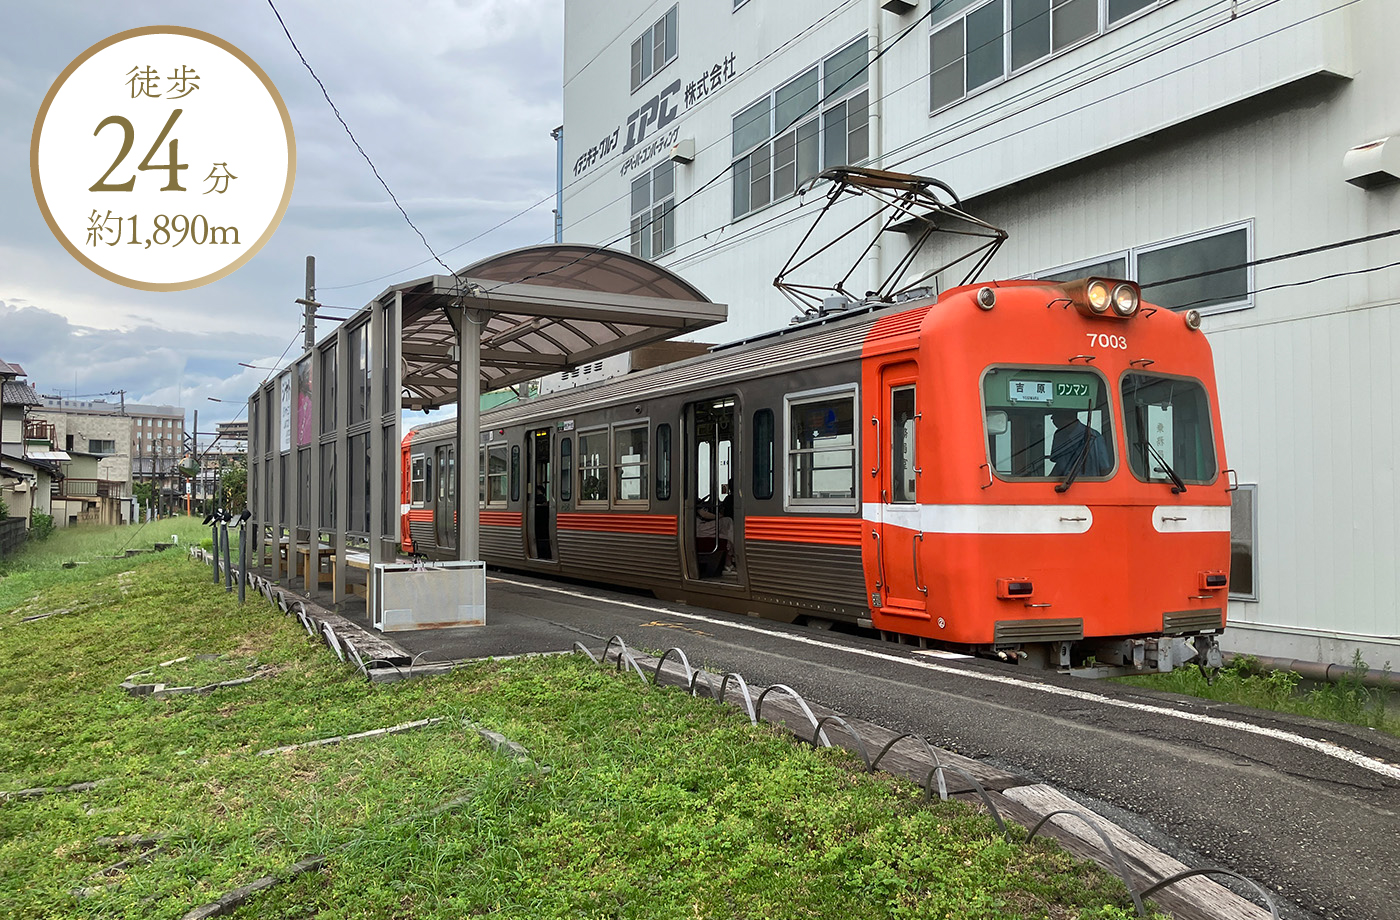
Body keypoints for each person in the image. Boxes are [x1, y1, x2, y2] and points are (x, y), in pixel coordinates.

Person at [1049, 409, 1112, 477]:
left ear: (1069, 417)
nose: (1052, 418)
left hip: (1089, 483)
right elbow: (1059, 465)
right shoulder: (1059, 434)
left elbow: (1105, 469)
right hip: (1063, 483)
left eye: (1055, 415)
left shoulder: (1094, 437)